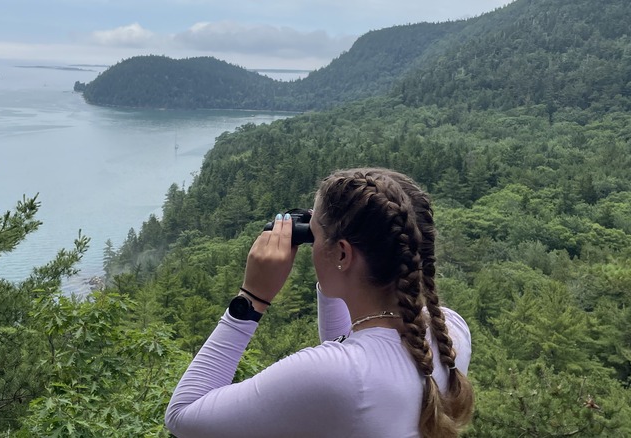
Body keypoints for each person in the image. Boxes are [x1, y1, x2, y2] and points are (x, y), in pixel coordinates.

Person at [165, 168, 474, 437]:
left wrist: (252, 298)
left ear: (342, 253)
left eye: (314, 235)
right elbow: (352, 346)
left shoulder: (335, 374)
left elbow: (183, 416)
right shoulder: (451, 331)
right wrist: (332, 268)